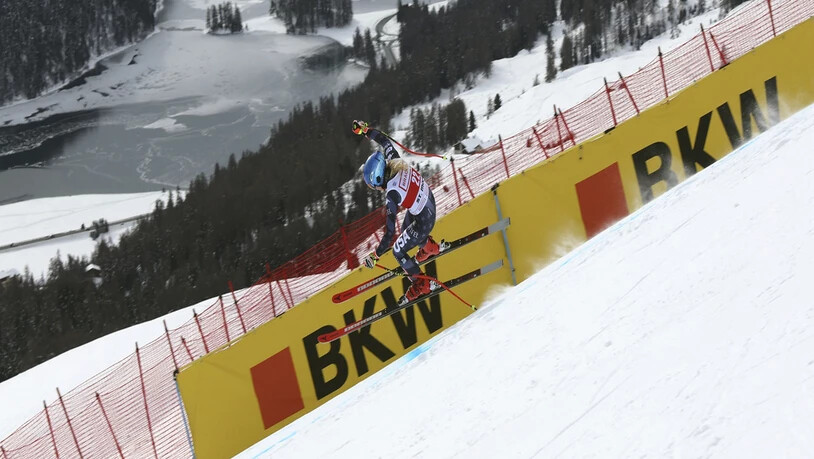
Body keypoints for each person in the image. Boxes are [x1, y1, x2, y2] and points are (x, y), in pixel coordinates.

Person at [352, 120, 441, 303]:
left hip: (424, 220)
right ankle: (428, 247)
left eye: (373, 185)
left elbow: (389, 233)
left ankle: (421, 284)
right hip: (428, 202)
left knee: (398, 250)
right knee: (406, 231)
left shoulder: (392, 194)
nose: (375, 189)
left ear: (378, 179)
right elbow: (385, 141)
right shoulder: (393, 160)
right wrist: (365, 130)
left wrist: (375, 256)